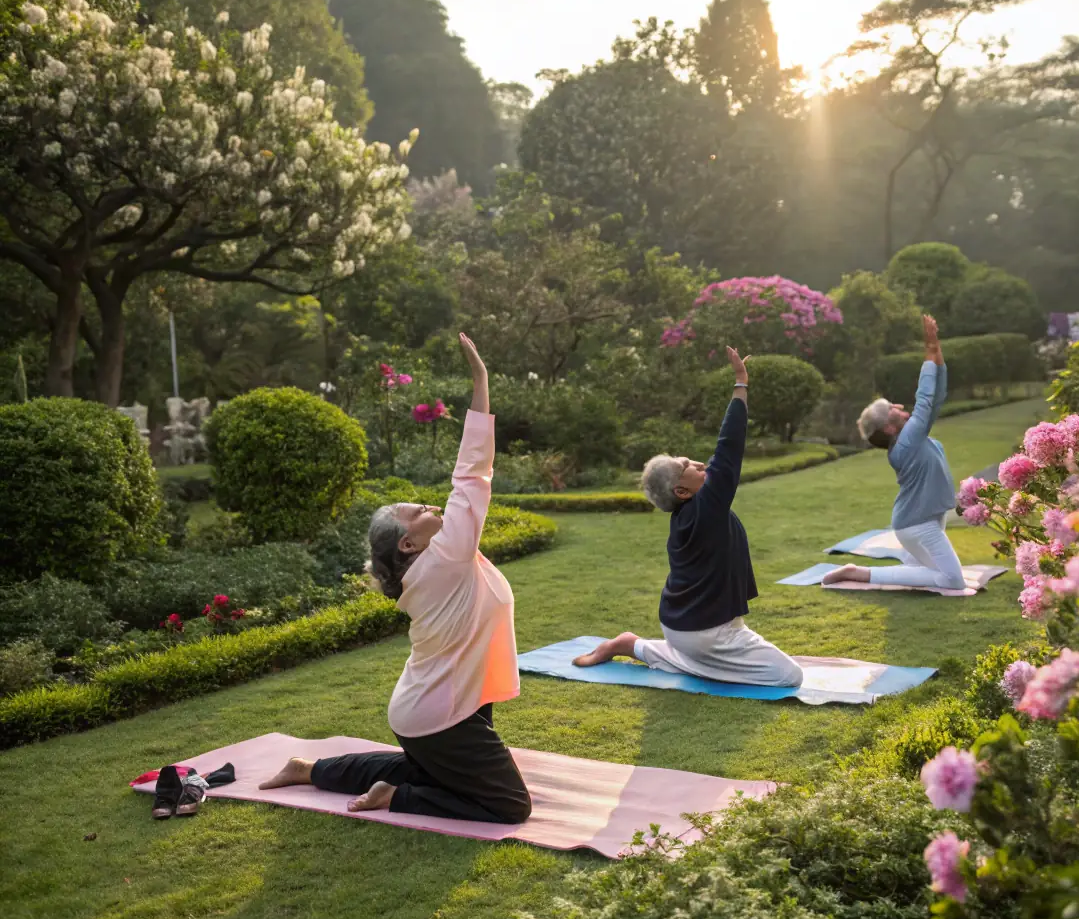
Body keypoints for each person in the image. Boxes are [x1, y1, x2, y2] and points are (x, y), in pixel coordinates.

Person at [258, 334, 532, 824]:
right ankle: (396, 796)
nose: (431, 506)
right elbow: (473, 474)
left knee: (423, 768)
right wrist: (480, 382)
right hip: (440, 716)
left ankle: (311, 768)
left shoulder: (433, 565)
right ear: (408, 544)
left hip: (440, 706)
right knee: (510, 807)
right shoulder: (446, 558)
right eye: (417, 511)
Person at [571, 347, 803, 688]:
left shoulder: (687, 515)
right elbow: (729, 448)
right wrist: (741, 383)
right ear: (681, 491)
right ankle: (660, 653)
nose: (698, 463)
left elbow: (719, 457)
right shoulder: (705, 508)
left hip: (680, 627)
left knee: (708, 655)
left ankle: (633, 646)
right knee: (789, 676)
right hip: (710, 634)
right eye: (687, 466)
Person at [824, 315, 966, 591]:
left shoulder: (909, 438)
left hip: (923, 520)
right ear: (889, 427)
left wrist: (936, 353)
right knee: (952, 580)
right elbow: (924, 399)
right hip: (918, 525)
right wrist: (928, 349)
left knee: (922, 570)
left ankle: (898, 563)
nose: (901, 406)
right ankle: (858, 573)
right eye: (893, 408)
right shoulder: (907, 442)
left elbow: (936, 398)